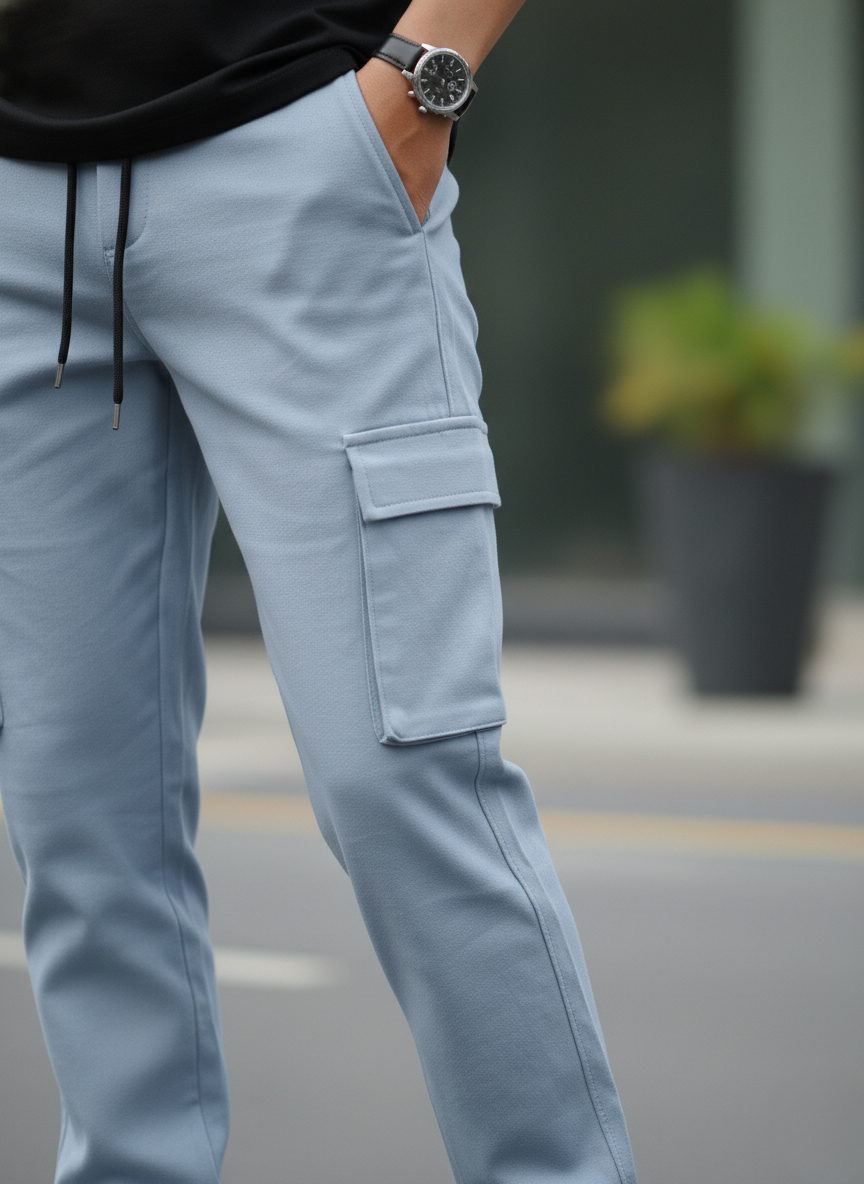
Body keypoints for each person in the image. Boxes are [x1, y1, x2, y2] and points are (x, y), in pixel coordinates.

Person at [0, 1, 639, 1181]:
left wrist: (424, 73)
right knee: (75, 811)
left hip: (306, 166)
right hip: (20, 207)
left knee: (404, 776)